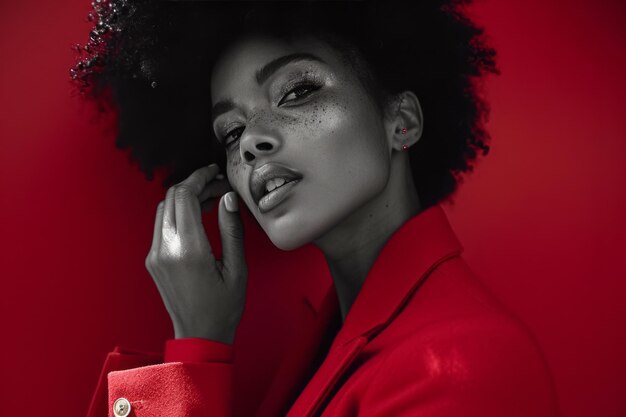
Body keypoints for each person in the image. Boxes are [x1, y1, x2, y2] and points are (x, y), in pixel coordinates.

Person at [73, 1, 560, 416]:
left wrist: (194, 354)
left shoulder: (461, 363)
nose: (251, 143)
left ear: (402, 121)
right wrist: (203, 335)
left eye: (298, 91)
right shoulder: (320, 350)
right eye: (231, 132)